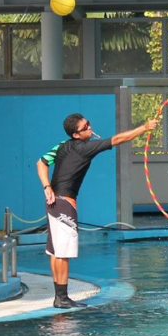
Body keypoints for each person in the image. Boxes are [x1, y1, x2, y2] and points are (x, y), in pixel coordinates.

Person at [38, 113, 159, 307]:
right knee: (62, 254)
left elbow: (41, 162)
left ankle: (59, 296)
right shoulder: (85, 148)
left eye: (88, 124)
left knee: (55, 252)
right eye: (85, 127)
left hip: (53, 202)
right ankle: (61, 298)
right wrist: (144, 128)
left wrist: (47, 187)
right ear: (76, 135)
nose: (89, 128)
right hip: (64, 204)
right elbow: (119, 139)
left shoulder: (61, 145)